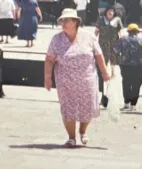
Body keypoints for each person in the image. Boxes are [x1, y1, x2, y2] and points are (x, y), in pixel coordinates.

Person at [45, 8, 111, 147]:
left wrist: (104, 73)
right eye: (62, 20)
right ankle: (71, 137)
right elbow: (50, 59)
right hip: (65, 81)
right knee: (68, 108)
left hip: (87, 80)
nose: (63, 23)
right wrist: (47, 77)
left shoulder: (88, 37)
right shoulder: (56, 39)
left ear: (75, 22)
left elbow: (98, 55)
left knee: (87, 107)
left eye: (66, 20)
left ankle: (82, 131)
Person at [113, 23, 142, 111]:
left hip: (125, 65)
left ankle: (126, 103)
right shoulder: (141, 40)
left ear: (128, 31)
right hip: (138, 65)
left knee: (126, 83)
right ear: (137, 32)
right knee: (136, 85)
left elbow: (116, 50)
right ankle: (133, 104)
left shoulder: (123, 39)